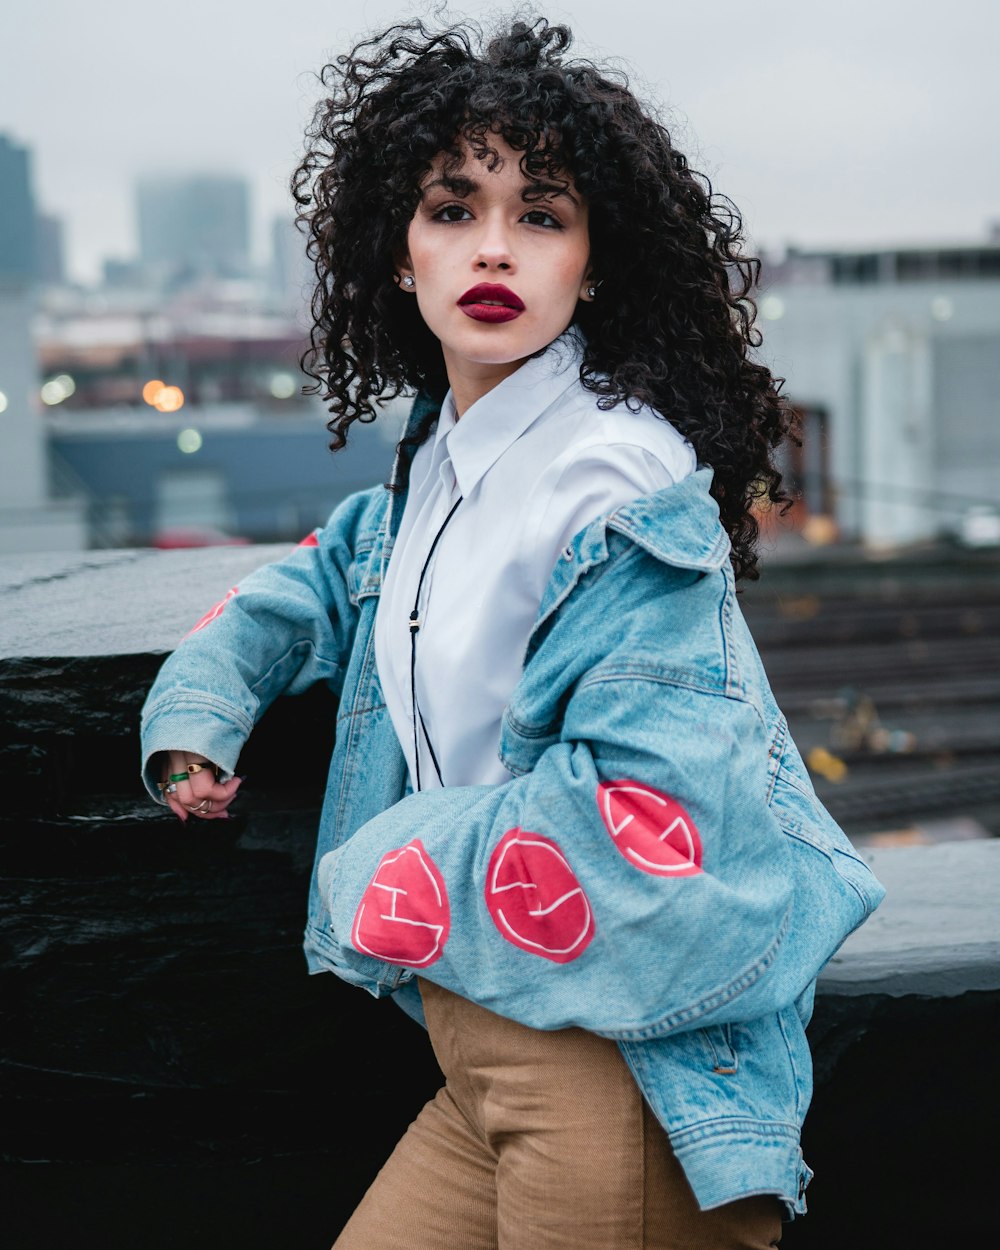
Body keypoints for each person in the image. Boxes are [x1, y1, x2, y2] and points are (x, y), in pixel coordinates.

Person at [140, 16, 885, 1249]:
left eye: (541, 215)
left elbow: (646, 816)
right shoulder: (444, 461)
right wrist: (199, 712)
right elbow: (323, 583)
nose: (494, 246)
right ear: (397, 250)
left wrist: (380, 861)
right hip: (487, 1052)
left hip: (615, 1073)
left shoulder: (610, 486)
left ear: (593, 264)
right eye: (452, 207)